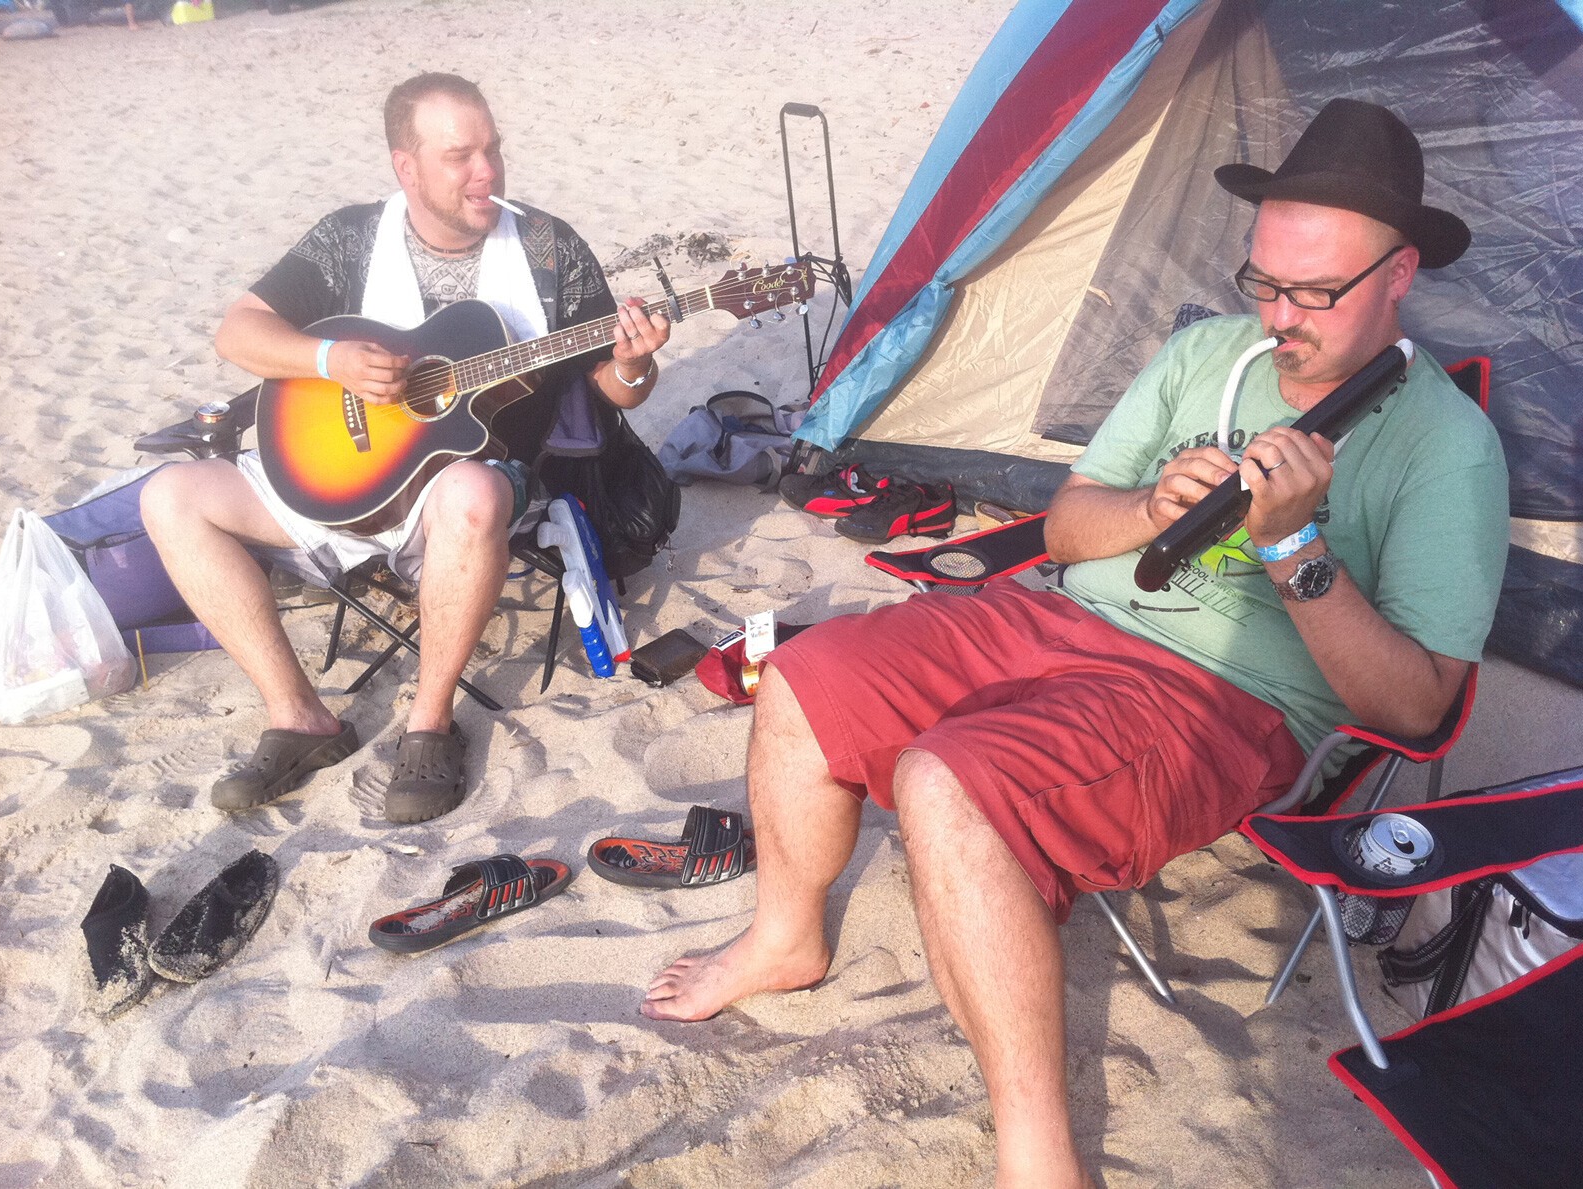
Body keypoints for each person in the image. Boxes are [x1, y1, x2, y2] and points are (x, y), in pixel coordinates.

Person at [641, 99, 1509, 1187]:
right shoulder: (1204, 352)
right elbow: (1064, 527)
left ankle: (1038, 1151)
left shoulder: (1446, 446)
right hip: (1060, 614)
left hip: (1219, 697)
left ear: (1398, 274)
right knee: (806, 676)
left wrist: (1294, 548)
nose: (1280, 317)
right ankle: (786, 936)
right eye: (1264, 281)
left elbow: (1418, 708)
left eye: (1315, 292)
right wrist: (1149, 507)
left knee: (946, 782)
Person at [141, 72, 670, 824]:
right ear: (406, 166)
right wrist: (331, 361)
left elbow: (613, 389)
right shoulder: (350, 239)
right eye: (460, 156)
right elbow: (238, 332)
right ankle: (299, 717)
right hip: (338, 475)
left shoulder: (550, 251)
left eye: (493, 150)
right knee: (170, 496)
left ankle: (428, 724)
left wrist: (636, 363)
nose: (486, 172)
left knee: (472, 491)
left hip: (469, 493)